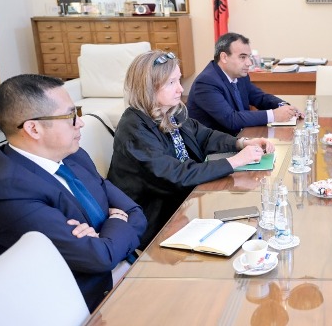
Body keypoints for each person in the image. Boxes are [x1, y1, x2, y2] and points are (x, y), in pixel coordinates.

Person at [0, 74, 146, 311]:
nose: (80, 123)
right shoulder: (7, 192)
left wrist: (104, 236)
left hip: (130, 268)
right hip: (90, 305)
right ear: (33, 128)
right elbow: (100, 257)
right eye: (70, 116)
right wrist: (115, 220)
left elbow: (135, 213)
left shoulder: (73, 156)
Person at [108, 50, 274, 248]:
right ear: (148, 87)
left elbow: (205, 136)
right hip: (154, 220)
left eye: (178, 80)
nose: (180, 89)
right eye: (171, 83)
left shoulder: (170, 111)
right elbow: (174, 175)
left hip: (183, 203)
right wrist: (235, 161)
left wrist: (242, 143)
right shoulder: (134, 129)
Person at [187, 32, 301, 135]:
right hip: (215, 147)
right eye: (242, 57)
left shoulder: (240, 76)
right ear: (224, 57)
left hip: (240, 138)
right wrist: (274, 115)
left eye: (249, 57)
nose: (249, 63)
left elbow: (260, 98)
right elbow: (231, 119)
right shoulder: (206, 82)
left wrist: (285, 107)